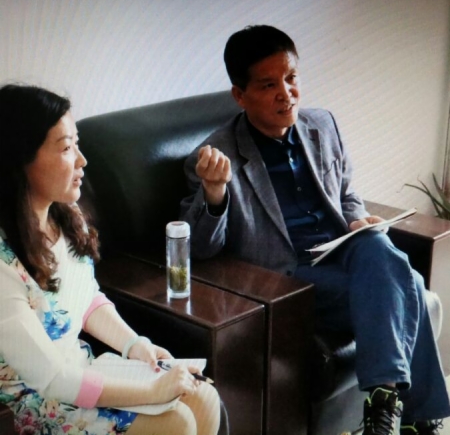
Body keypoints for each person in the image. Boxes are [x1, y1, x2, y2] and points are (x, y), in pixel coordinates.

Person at [180, 25, 450, 435]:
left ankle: (384, 409)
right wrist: (215, 192)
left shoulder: (322, 125)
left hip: (344, 251)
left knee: (377, 244)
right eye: (269, 85)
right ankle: (416, 421)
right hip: (289, 276)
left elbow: (347, 194)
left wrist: (357, 220)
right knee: (408, 282)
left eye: (291, 78)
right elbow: (201, 248)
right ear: (240, 95)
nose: (286, 94)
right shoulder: (215, 156)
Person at [0, 84, 220, 435]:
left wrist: (135, 345)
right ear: (20, 160)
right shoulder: (3, 264)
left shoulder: (64, 215)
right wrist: (154, 391)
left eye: (77, 144)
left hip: (79, 369)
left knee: (202, 397)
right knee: (175, 422)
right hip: (37, 400)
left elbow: (86, 298)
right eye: (67, 148)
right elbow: (52, 379)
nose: (82, 160)